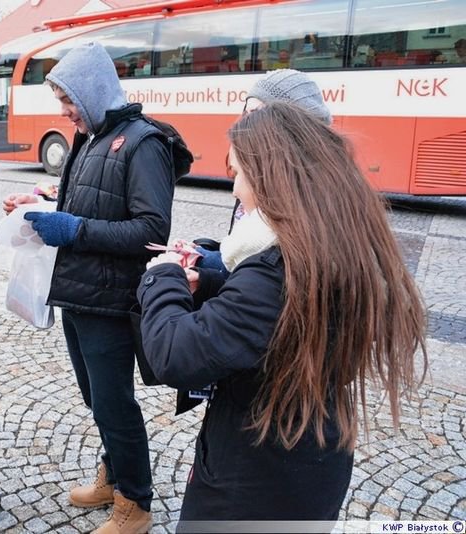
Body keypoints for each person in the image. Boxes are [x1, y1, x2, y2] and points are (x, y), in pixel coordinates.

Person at [137, 102, 428, 527]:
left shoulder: (277, 269)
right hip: (312, 461)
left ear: (269, 177)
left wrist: (163, 277)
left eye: (238, 174)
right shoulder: (332, 248)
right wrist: (215, 284)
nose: (234, 190)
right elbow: (277, 319)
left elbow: (176, 354)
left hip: (253, 483)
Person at [4, 42, 179, 534]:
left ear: (93, 92)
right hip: (78, 293)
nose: (64, 111)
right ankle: (114, 474)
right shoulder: (91, 136)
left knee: (114, 403)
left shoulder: (143, 143)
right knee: (96, 399)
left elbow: (151, 231)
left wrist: (75, 229)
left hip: (111, 300)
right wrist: (39, 202)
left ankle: (135, 503)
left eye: (68, 100)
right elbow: (83, 201)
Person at [194, 68, 332, 276]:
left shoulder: (303, 201)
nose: (245, 123)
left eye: (256, 113)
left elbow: (258, 274)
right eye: (245, 113)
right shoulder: (262, 176)